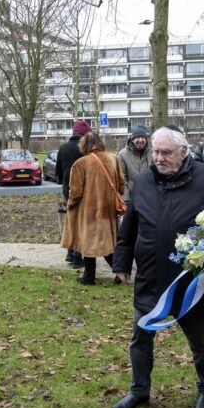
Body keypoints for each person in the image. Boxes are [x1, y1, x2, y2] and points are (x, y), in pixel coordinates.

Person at [110, 127, 204, 408]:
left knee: (200, 340)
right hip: (150, 276)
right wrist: (122, 262)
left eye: (165, 153)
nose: (158, 158)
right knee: (140, 337)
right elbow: (130, 225)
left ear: (183, 152)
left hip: (189, 279)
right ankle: (139, 390)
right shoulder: (145, 180)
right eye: (155, 152)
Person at [60, 131, 124, 285]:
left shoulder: (81, 163)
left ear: (84, 146)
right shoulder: (113, 159)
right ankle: (120, 273)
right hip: (108, 210)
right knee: (107, 243)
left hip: (88, 211)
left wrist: (70, 205)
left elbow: (75, 192)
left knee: (88, 243)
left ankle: (89, 277)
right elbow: (121, 186)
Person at [57, 120, 91, 269]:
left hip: (67, 190)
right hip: (84, 190)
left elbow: (57, 172)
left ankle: (70, 252)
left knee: (71, 220)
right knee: (81, 222)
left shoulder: (63, 148)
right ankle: (77, 256)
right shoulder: (86, 149)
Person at [117, 125, 150, 202]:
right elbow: (122, 179)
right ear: (132, 139)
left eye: (143, 137)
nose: (140, 140)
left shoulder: (152, 152)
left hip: (150, 198)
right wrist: (126, 199)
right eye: (137, 137)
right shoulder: (122, 155)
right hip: (132, 199)